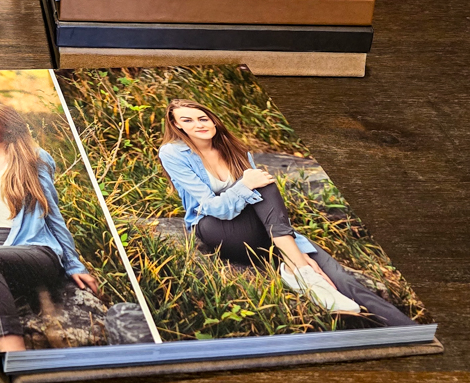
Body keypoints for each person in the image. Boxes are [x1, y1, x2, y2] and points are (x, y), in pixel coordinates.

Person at [158, 98, 414, 326]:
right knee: (261, 183)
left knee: (343, 280)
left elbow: (265, 207)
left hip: (266, 232)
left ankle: (406, 329)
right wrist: (245, 185)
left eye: (203, 118)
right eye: (187, 120)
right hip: (217, 230)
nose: (198, 124)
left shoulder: (237, 151)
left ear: (213, 120)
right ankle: (297, 265)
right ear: (177, 125)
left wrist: (254, 191)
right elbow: (213, 208)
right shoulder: (173, 153)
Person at [0, 103, 99, 352]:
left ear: (7, 125)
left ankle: (14, 351)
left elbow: (53, 215)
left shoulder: (36, 157)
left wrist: (73, 263)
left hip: (32, 248)